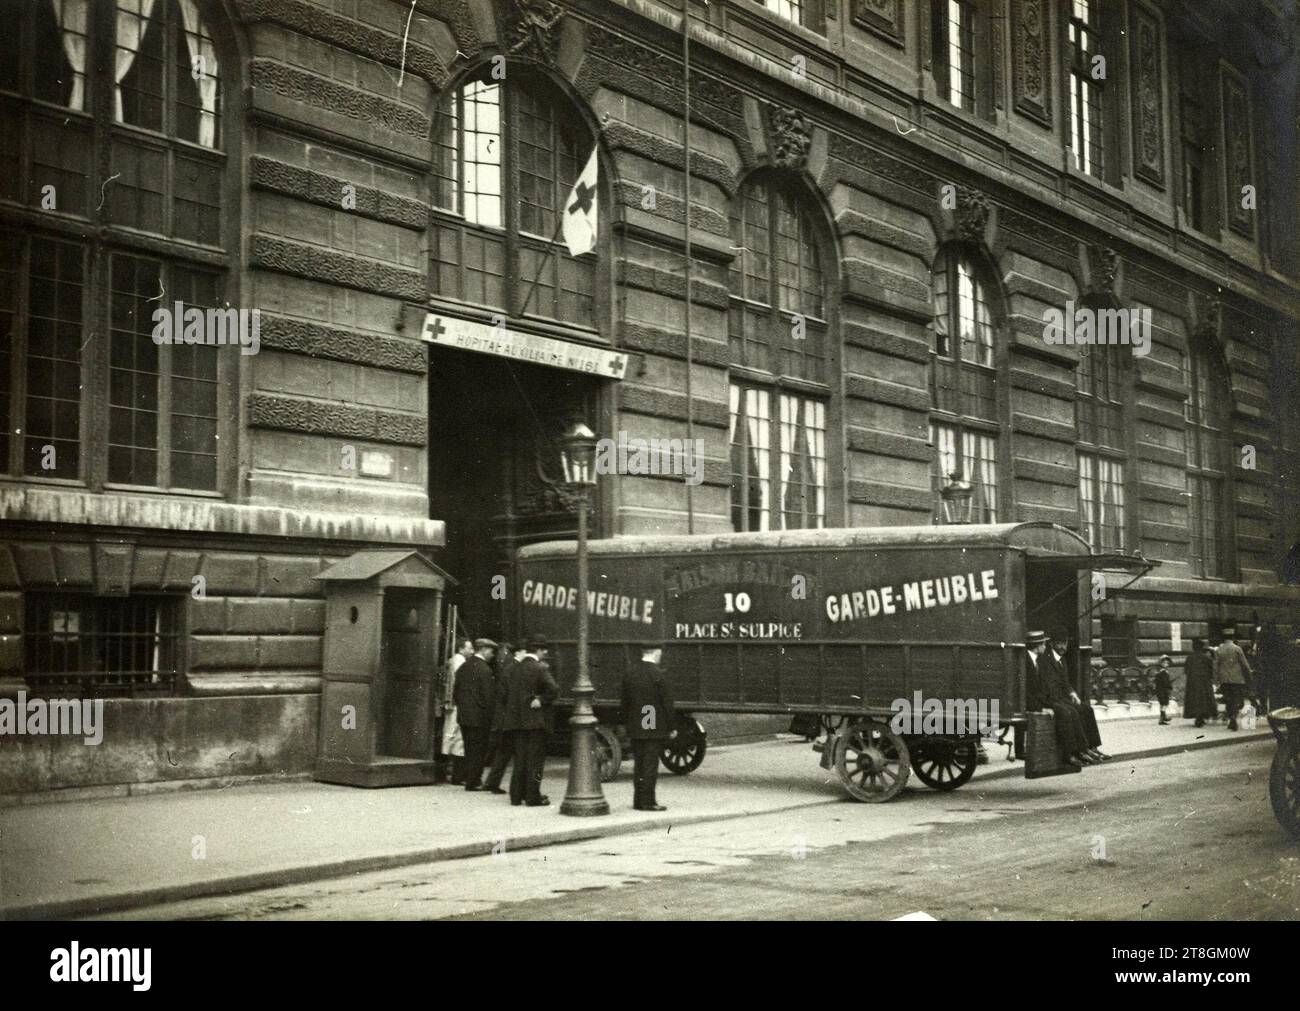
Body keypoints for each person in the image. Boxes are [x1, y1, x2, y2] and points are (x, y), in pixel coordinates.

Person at [501, 636, 558, 807]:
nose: (545, 654)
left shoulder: (513, 668)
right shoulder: (540, 668)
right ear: (539, 651)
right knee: (535, 761)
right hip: (534, 722)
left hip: (515, 721)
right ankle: (532, 796)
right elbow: (554, 689)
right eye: (544, 651)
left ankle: (516, 796)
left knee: (520, 759)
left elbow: (503, 695)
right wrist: (540, 699)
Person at [1025, 630, 1092, 768]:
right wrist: (1041, 707)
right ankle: (1070, 753)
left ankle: (1084, 749)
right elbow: (1030, 690)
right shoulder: (1030, 661)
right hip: (1043, 700)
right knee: (1067, 712)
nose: (1045, 646)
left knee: (1076, 710)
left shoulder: (1036, 659)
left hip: (1045, 699)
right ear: (1037, 645)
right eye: (1043, 644)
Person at [622, 644, 677, 812]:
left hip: (636, 723)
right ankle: (648, 802)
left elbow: (624, 702)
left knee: (639, 763)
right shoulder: (658, 674)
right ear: (656, 653)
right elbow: (667, 704)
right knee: (650, 763)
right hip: (651, 722)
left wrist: (628, 723)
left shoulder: (630, 672)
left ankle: (638, 800)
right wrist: (672, 727)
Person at [455, 638, 498, 791]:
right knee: (478, 750)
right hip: (480, 717)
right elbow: (489, 697)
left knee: (469, 748)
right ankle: (473, 781)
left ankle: (469, 778)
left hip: (464, 716)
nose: (492, 655)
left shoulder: (464, 667)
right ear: (484, 650)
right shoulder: (485, 670)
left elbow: (456, 692)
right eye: (492, 651)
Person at [483, 642, 523, 795]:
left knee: (503, 752)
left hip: (503, 717)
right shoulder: (514, 668)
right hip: (510, 718)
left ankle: (492, 782)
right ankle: (498, 784)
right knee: (510, 751)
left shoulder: (507, 667)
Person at [438, 639, 473, 784]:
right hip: (457, 705)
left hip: (451, 703)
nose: (472, 651)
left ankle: (449, 772)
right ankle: (455, 774)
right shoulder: (460, 662)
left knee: (451, 735)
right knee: (455, 737)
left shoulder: (453, 660)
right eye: (469, 648)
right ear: (461, 648)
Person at [1214, 627, 1254, 731]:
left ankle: (1231, 717)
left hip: (1224, 680)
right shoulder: (1237, 649)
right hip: (1237, 679)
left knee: (1228, 699)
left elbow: (1216, 666)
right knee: (1235, 699)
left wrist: (1216, 680)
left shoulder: (1219, 649)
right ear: (1233, 637)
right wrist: (1249, 676)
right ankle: (1233, 718)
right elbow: (1245, 665)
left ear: (1223, 638)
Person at [1182, 638, 1217, 727]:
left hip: (1192, 683)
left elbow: (1186, 671)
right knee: (1204, 700)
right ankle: (1202, 717)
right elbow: (1211, 672)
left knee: (1194, 700)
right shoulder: (1206, 658)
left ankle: (1198, 717)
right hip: (1204, 683)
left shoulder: (1189, 658)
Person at [1155, 654, 1173, 725]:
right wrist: (1170, 686)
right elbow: (1165, 682)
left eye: (1167, 663)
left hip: (1160, 690)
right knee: (1165, 703)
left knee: (1162, 704)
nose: (1166, 664)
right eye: (1164, 663)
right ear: (1161, 663)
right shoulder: (1163, 672)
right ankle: (1162, 718)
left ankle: (1163, 717)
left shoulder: (1160, 671)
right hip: (1163, 690)